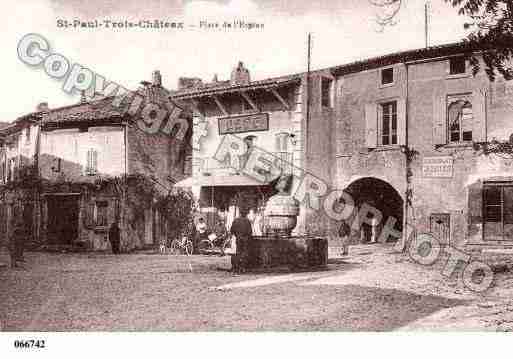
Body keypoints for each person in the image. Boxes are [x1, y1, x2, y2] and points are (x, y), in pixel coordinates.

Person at [230, 208, 253, 273]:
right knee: (244, 253)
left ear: (240, 213)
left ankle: (236, 267)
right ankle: (243, 268)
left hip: (238, 239)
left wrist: (237, 235)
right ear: (245, 214)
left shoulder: (236, 220)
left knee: (238, 253)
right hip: (245, 240)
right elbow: (250, 232)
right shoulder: (247, 221)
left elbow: (232, 230)